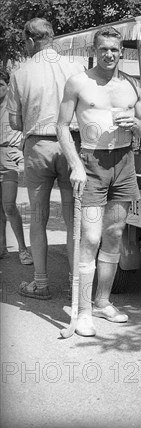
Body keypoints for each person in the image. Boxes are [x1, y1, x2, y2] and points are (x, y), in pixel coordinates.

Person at [57, 25, 141, 337]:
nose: (109, 54)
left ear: (122, 52)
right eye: (104, 49)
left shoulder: (132, 84)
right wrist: (75, 165)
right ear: (95, 51)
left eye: (114, 49)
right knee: (91, 238)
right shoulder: (79, 82)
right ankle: (83, 313)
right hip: (92, 163)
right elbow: (62, 126)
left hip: (124, 163)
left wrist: (135, 124)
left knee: (114, 235)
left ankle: (103, 301)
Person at [7, 18, 85, 299]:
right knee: (73, 218)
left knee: (38, 218)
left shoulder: (20, 72)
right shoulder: (76, 68)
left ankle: (40, 284)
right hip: (71, 145)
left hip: (38, 146)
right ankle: (75, 285)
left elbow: (15, 122)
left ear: (30, 41)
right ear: (52, 38)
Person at [0, 69, 32, 264]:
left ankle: (22, 249)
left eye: (1, 85)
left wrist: (21, 151)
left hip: (8, 158)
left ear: (7, 86)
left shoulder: (15, 106)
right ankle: (2, 247)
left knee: (9, 205)